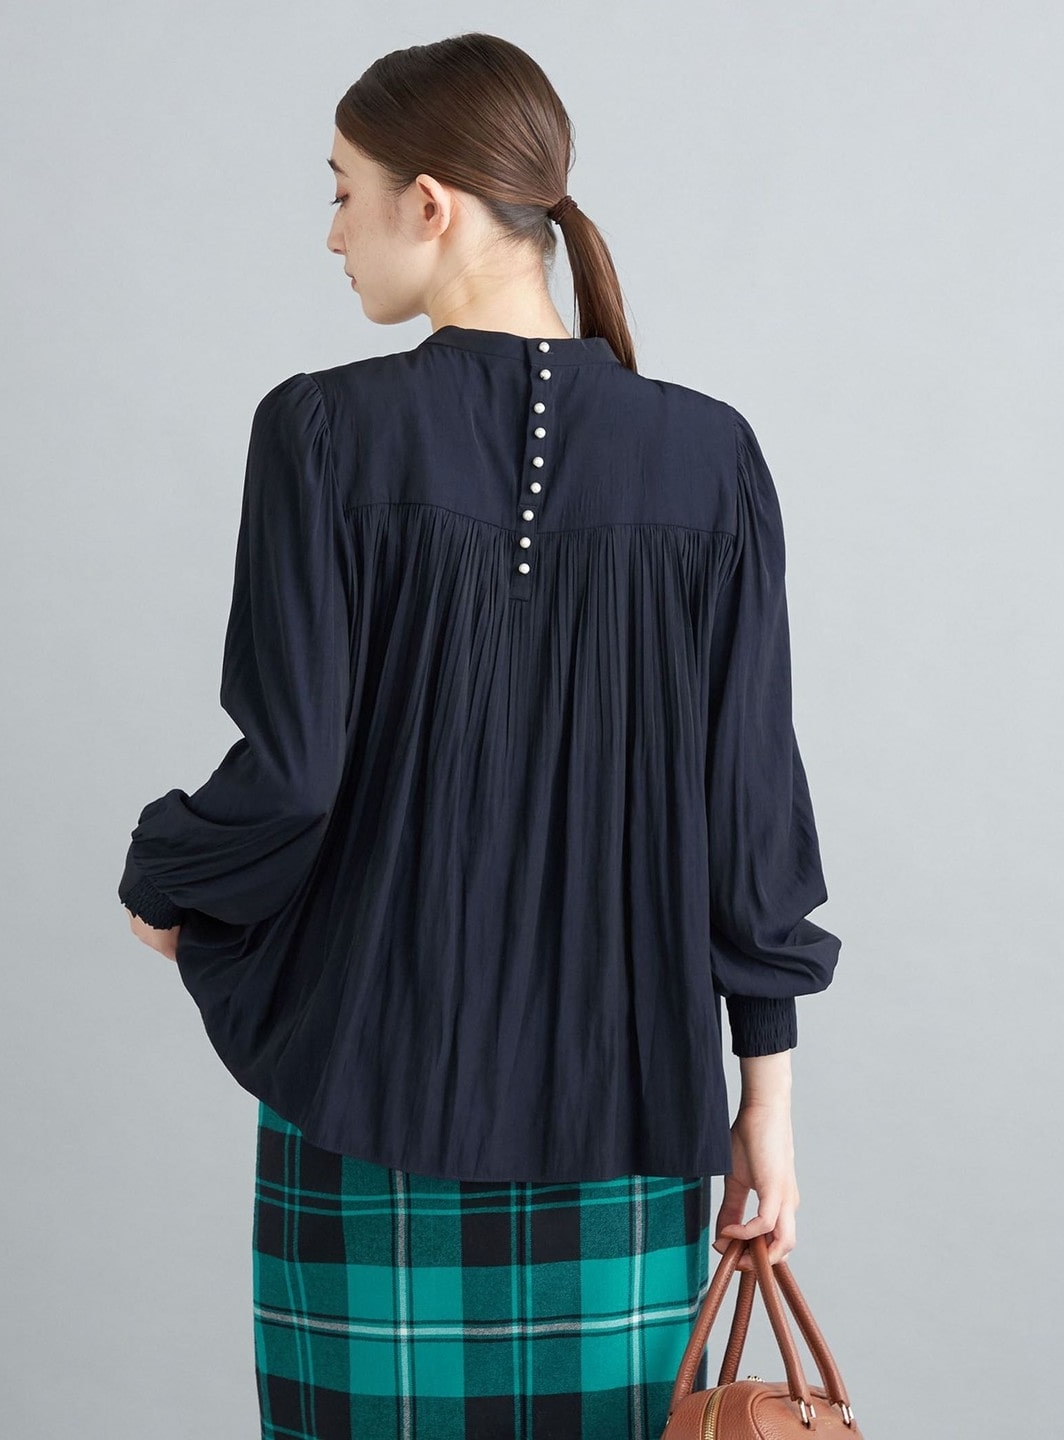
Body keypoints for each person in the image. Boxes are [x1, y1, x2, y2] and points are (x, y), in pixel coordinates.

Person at [118, 31, 841, 1440]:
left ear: (431, 202)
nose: (333, 233)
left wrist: (166, 880)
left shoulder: (321, 432)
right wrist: (766, 1101)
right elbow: (750, 812)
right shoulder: (713, 458)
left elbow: (292, 772)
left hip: (369, 1096)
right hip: (626, 1117)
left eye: (343, 192)